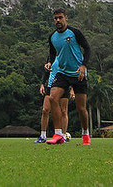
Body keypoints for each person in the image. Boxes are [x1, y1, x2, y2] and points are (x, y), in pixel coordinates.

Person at [45, 8, 91, 146]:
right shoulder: (52, 37)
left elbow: (87, 49)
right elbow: (53, 53)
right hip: (63, 73)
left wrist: (83, 65)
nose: (58, 20)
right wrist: (49, 62)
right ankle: (58, 134)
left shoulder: (75, 32)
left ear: (66, 18)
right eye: (55, 18)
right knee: (53, 98)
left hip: (78, 73)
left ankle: (85, 134)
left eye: (60, 17)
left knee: (81, 108)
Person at [34, 60, 73, 143]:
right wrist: (42, 84)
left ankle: (63, 135)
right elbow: (47, 71)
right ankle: (43, 136)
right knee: (45, 110)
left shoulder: (65, 55)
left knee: (63, 111)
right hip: (51, 85)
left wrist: (73, 89)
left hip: (64, 85)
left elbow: (72, 71)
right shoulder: (51, 57)